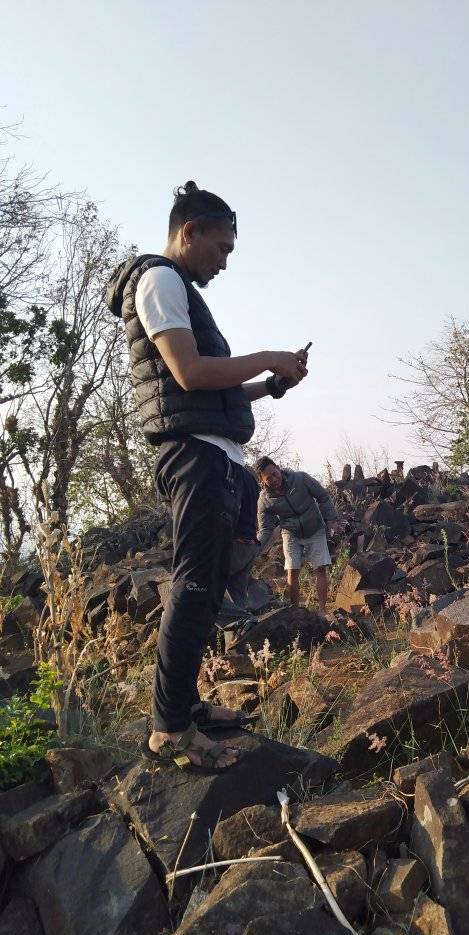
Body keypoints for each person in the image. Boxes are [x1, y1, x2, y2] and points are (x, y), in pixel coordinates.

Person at [105, 181, 309, 771]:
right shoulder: (160, 279)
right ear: (188, 232)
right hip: (194, 457)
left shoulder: (177, 288)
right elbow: (190, 372)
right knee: (194, 585)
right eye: (221, 248)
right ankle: (169, 730)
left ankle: (185, 707)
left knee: (207, 583)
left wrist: (269, 385)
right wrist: (269, 355)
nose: (223, 262)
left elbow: (202, 385)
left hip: (214, 455)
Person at [256, 457, 341, 614]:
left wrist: (331, 519)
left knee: (320, 569)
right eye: (269, 478)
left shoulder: (301, 478)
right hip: (290, 532)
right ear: (262, 480)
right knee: (292, 571)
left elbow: (322, 496)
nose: (274, 479)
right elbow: (266, 529)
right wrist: (254, 549)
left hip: (315, 527)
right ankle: (295, 612)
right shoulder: (264, 500)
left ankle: (323, 611)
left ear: (278, 468)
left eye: (275, 474)